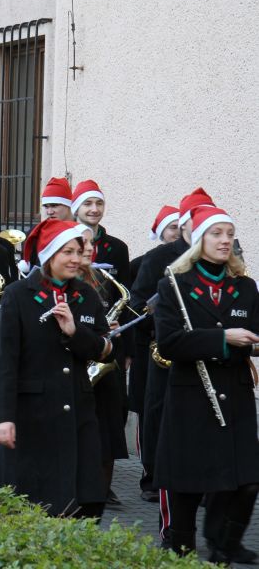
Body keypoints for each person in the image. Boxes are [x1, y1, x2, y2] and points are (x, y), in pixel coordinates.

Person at [153, 206, 259, 560]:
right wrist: (223, 338)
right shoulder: (173, 284)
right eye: (217, 234)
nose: (225, 240)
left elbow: (255, 336)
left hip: (236, 393)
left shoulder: (245, 287)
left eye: (230, 234)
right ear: (199, 240)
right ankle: (179, 547)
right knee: (187, 482)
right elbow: (168, 342)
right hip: (193, 395)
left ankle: (223, 544)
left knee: (246, 480)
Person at [0, 219, 112, 519]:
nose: (75, 259)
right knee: (33, 501)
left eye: (78, 251)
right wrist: (4, 418)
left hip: (78, 410)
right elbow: (5, 360)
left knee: (85, 499)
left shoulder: (86, 294)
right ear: (49, 254)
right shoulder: (18, 294)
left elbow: (103, 348)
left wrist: (74, 333)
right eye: (66, 252)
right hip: (32, 414)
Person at [132, 187, 214, 528]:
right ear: (184, 226)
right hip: (166, 352)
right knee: (158, 415)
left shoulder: (218, 259)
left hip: (206, 356)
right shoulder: (159, 258)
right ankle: (154, 477)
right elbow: (137, 304)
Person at [127, 203, 179, 504]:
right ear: (162, 233)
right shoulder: (152, 260)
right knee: (151, 412)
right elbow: (136, 304)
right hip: (152, 348)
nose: (176, 233)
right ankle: (150, 476)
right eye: (171, 228)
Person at [77, 226, 129, 506]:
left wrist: (112, 331)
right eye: (81, 244)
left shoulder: (103, 280)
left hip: (103, 366)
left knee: (107, 434)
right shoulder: (63, 283)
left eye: (89, 244)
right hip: (77, 369)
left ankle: (101, 492)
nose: (88, 248)